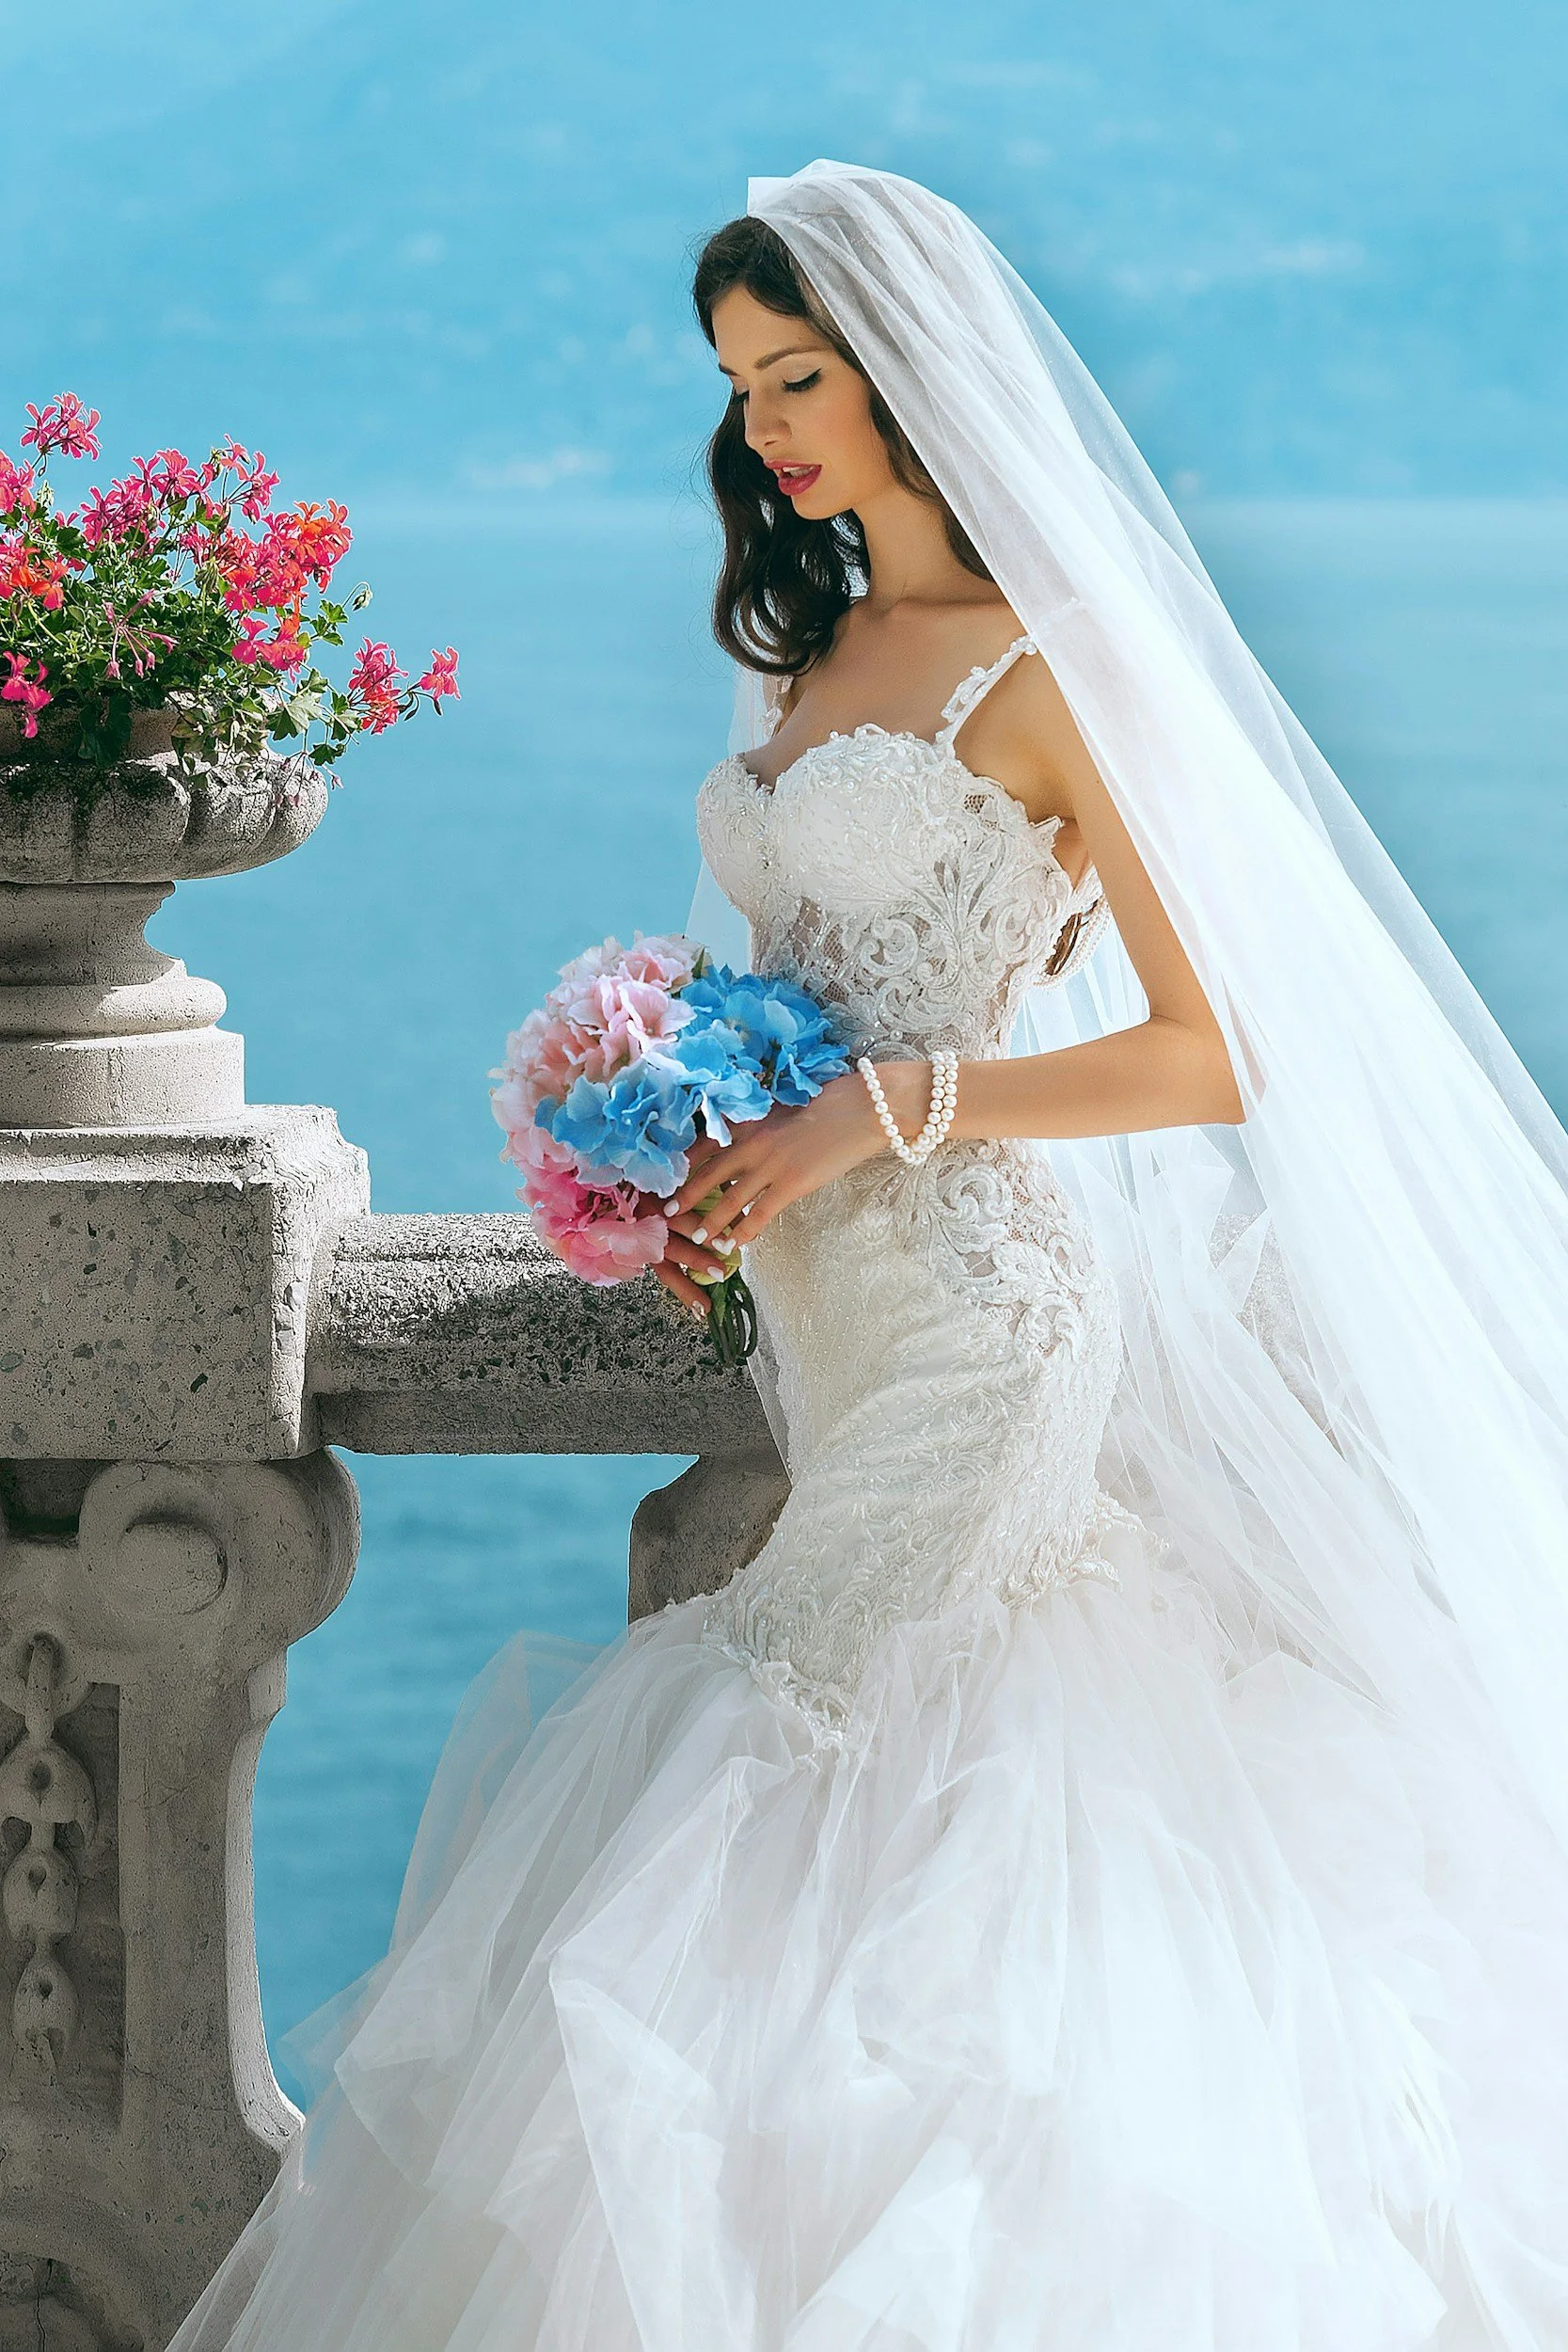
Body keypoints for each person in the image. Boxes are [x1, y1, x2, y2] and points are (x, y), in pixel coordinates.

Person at [172, 162, 1568, 2352]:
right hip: (818, 1319)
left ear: (912, 368)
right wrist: (678, 1150)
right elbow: (784, 986)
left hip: (985, 1317)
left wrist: (875, 1114)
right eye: (740, 388)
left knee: (813, 1771)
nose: (770, 431)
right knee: (838, 1783)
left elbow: (1211, 1052)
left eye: (799, 374)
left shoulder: (1049, 669)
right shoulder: (812, 654)